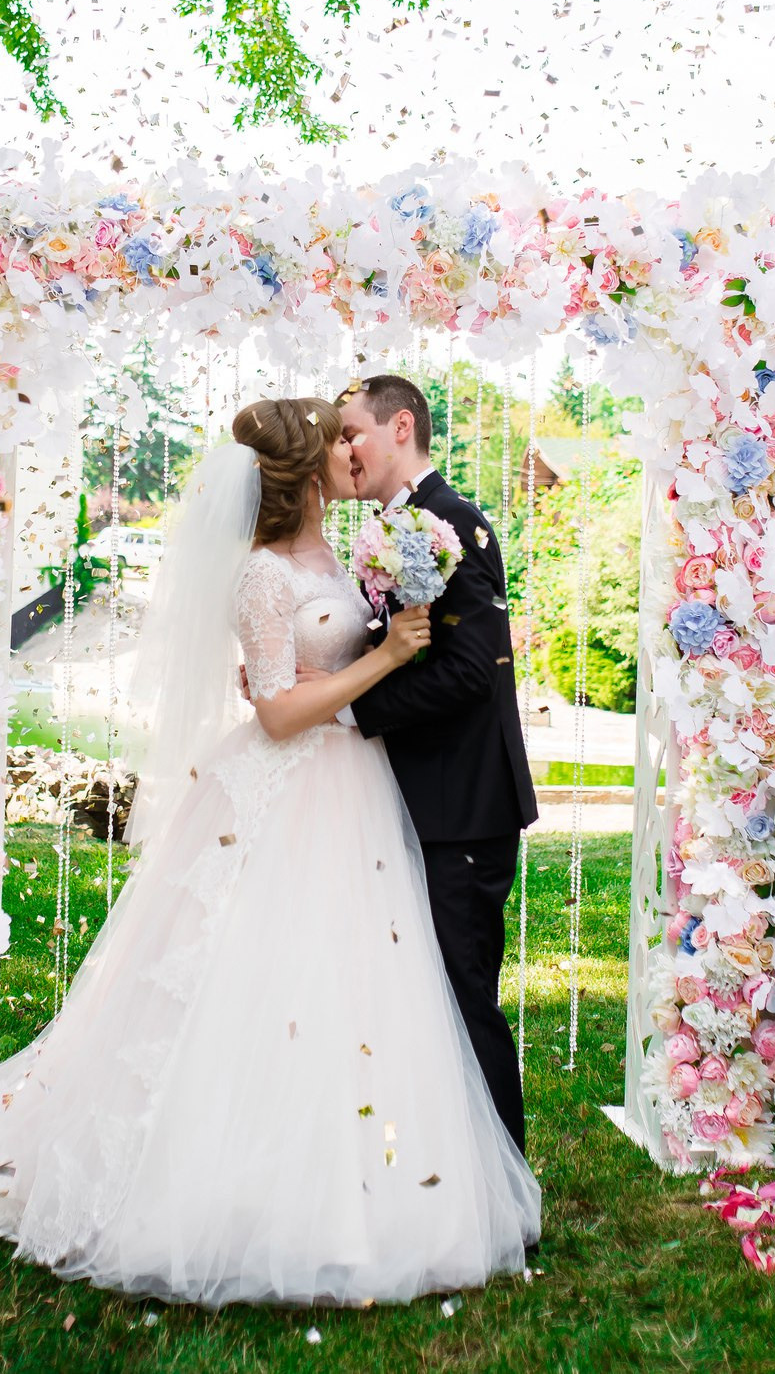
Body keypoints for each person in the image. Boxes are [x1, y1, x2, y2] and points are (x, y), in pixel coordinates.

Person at [0, 397, 540, 1307]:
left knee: (353, 984)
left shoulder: (341, 553)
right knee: (260, 984)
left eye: (350, 429)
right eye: (333, 439)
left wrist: (378, 653)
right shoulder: (258, 575)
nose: (347, 449)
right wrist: (378, 662)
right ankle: (239, 1185)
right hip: (295, 783)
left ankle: (368, 1182)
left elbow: (360, 661)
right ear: (301, 470)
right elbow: (282, 709)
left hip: (356, 790)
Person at [334, 372, 540, 1157]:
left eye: (353, 431)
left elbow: (467, 670)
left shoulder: (449, 523)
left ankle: (504, 1178)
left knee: (463, 996)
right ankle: (439, 1163)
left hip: (463, 806)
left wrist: (352, 709)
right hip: (420, 796)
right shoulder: (400, 523)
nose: (345, 448)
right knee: (422, 993)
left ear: (401, 427)